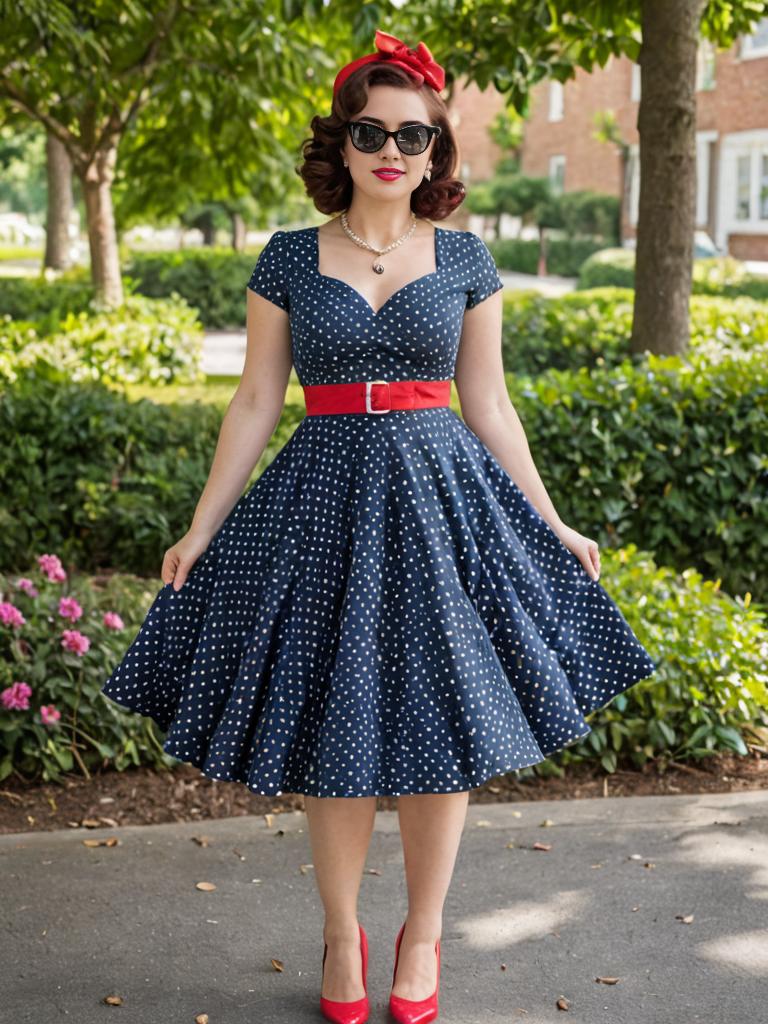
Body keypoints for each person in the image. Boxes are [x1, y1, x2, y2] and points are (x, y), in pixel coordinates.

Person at [100, 28, 658, 1024]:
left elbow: (489, 405)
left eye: (414, 133)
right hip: (321, 500)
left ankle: (425, 932)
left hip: (443, 504)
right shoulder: (285, 257)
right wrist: (198, 526)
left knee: (444, 724)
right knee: (337, 728)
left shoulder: (465, 258)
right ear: (342, 143)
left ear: (439, 151)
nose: (391, 148)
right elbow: (255, 402)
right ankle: (339, 930)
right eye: (370, 130)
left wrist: (552, 518)